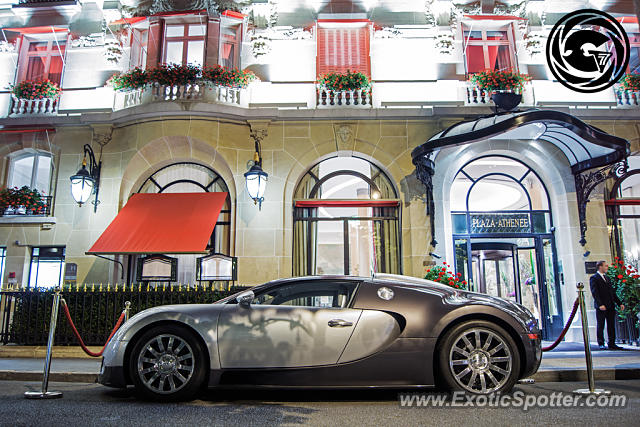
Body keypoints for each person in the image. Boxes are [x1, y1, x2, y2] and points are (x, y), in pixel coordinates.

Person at [589, 261, 625, 350]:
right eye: (605, 266)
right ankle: (601, 342)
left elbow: (612, 292)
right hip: (601, 306)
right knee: (601, 324)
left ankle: (612, 343)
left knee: (611, 325)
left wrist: (619, 303)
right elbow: (595, 292)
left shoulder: (607, 278)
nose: (607, 267)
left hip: (610, 305)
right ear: (600, 267)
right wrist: (600, 304)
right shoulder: (594, 278)